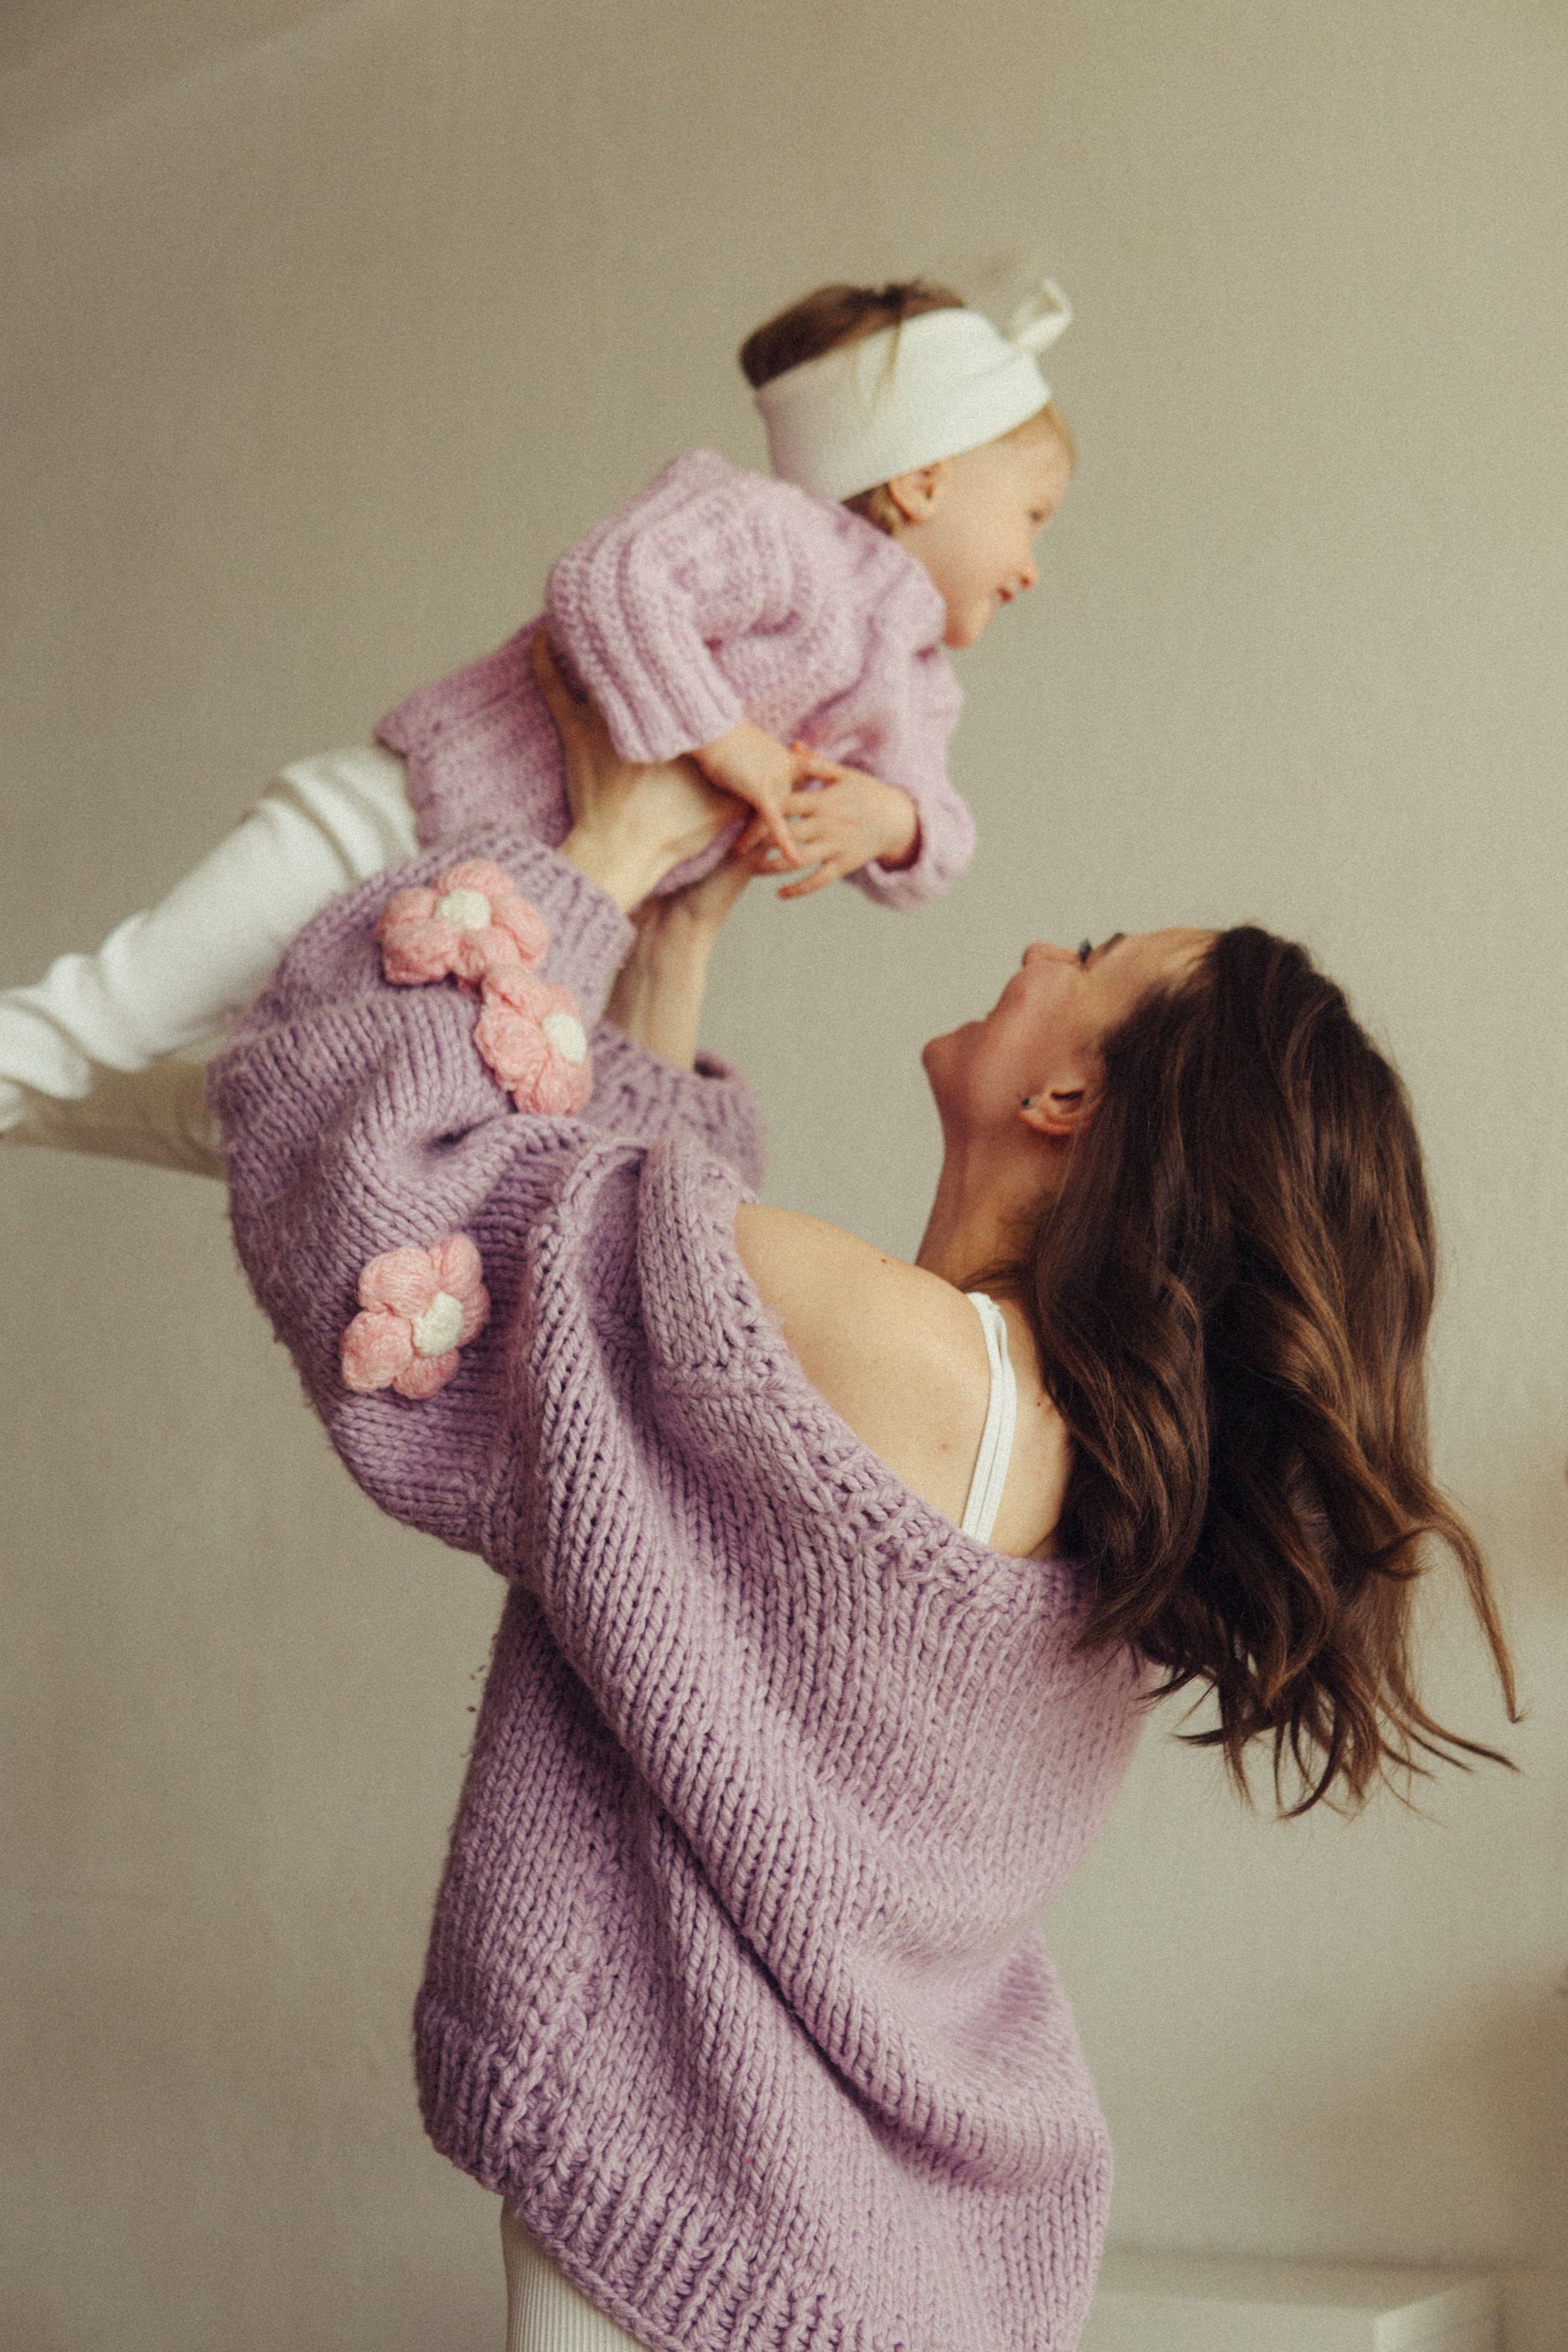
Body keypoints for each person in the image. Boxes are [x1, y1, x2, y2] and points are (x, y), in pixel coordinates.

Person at [208, 641, 1515, 2352]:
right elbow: (665, 1416)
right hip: (868, 2260)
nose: (1044, 948)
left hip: (695, 2239)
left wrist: (591, 861)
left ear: (1069, 1102)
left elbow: (401, 1230)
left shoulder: (901, 1350)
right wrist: (674, 948)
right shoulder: (1077, 1485)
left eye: (1095, 960)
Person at [0, 275, 1076, 1177]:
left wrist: (891, 819)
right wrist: (723, 738)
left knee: (273, 1137)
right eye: (1031, 518)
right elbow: (612, 583)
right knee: (114, 1011)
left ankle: (30, 1098)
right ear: (927, 477)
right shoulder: (772, 531)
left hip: (491, 941)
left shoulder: (917, 684)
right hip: (386, 832)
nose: (1034, 565)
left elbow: (944, 837)